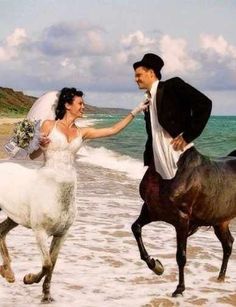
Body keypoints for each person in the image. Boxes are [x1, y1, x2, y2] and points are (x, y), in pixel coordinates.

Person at [0, 87, 148, 301]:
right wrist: (40, 145)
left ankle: (46, 290)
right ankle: (21, 267)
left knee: (60, 237)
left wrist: (135, 110)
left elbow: (114, 130)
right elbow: (33, 157)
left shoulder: (82, 132)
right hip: (46, 182)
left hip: (68, 187)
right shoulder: (49, 125)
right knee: (42, 240)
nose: (83, 106)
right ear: (68, 105)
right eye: (80, 103)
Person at [133, 53, 212, 179]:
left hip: (178, 154)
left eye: (139, 75)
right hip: (158, 158)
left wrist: (187, 136)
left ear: (151, 73)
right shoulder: (147, 101)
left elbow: (204, 104)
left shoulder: (172, 86)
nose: (136, 79)